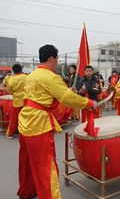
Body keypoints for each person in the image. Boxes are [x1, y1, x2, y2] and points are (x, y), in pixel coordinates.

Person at [17, 44, 97, 199]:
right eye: (57, 58)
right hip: (38, 125)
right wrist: (88, 103)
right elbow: (68, 98)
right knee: (46, 165)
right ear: (51, 59)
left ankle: (27, 191)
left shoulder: (31, 75)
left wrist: (67, 93)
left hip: (24, 121)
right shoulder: (51, 77)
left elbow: (42, 96)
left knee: (26, 161)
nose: (57, 61)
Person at [5, 64, 27, 138]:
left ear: (13, 70)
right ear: (21, 69)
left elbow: (10, 91)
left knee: (14, 119)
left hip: (17, 101)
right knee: (27, 117)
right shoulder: (26, 77)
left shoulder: (11, 79)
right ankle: (26, 133)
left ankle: (10, 134)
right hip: (26, 100)